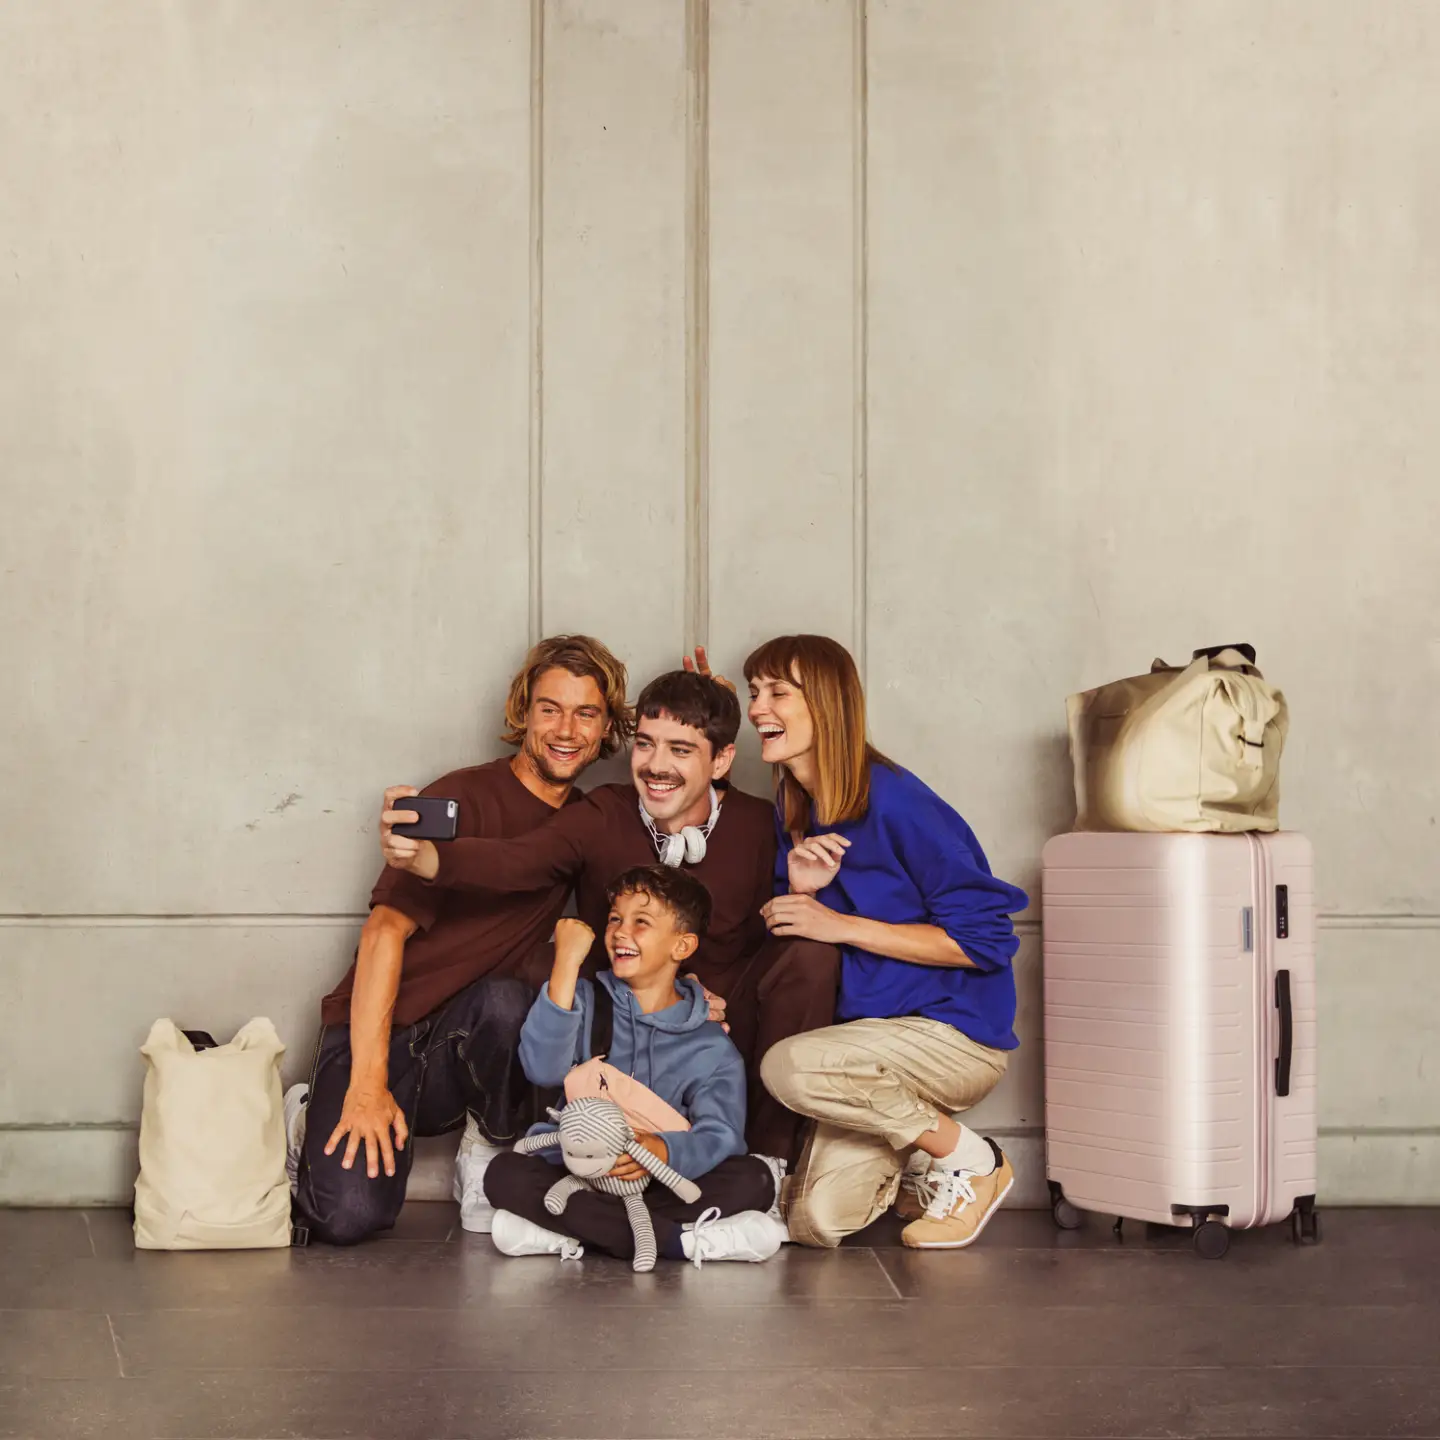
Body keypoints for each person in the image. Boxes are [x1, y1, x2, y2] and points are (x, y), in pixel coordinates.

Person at [381, 667, 838, 1168]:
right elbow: (519, 859)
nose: (657, 766)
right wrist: (428, 859)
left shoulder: (756, 823)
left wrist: (799, 893)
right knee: (544, 964)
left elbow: (765, 944)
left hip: (720, 1023)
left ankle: (770, 1164)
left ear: (722, 760)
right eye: (645, 745)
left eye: (681, 751)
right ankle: (549, 1150)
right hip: (620, 1019)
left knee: (809, 957)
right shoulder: (602, 813)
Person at [292, 635, 631, 1246]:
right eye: (550, 708)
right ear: (523, 711)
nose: (567, 729)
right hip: (382, 1035)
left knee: (515, 999)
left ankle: (490, 1154)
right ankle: (307, 1118)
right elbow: (381, 935)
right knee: (346, 1219)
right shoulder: (462, 795)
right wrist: (367, 1083)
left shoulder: (586, 823)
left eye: (587, 713)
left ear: (608, 726)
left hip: (466, 1041)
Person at [745, 634, 1029, 1249]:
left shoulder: (896, 800)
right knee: (814, 1222)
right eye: (753, 693)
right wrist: (805, 893)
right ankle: (922, 1164)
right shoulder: (795, 805)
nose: (757, 709)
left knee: (788, 1065)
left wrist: (840, 925)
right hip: (865, 1056)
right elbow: (791, 932)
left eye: (777, 693)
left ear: (826, 703)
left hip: (952, 1039)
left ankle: (976, 1161)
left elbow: (983, 941)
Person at [484, 865, 786, 1265]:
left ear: (682, 946)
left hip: (660, 1181)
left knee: (755, 1180)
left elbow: (721, 1135)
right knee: (504, 1173)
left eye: (641, 922)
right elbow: (541, 1069)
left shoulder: (710, 1044)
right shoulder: (586, 1002)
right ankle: (681, 1243)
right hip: (579, 1173)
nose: (620, 932)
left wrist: (662, 1149)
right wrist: (566, 964)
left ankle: (568, 1232)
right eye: (614, 919)